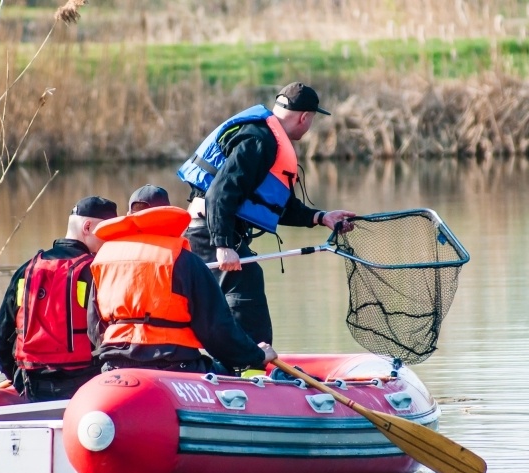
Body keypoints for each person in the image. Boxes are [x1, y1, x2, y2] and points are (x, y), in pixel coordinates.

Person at [177, 81, 356, 344]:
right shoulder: (259, 140)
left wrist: (321, 217)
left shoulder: (269, 138)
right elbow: (220, 193)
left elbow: (277, 205)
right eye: (312, 120)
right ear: (305, 117)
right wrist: (223, 245)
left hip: (213, 229)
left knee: (245, 285)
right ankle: (252, 370)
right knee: (245, 290)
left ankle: (242, 364)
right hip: (207, 230)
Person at [87, 189, 277, 375]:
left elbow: (95, 328)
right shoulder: (182, 259)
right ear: (166, 214)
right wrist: (256, 355)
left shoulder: (102, 259)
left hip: (115, 364)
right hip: (173, 364)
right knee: (230, 371)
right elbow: (216, 330)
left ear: (129, 215)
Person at [0, 196, 119, 402]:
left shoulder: (27, 270)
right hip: (85, 387)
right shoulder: (96, 271)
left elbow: (1, 338)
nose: (110, 241)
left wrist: (16, 379)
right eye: (108, 234)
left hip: (32, 384)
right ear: (87, 227)